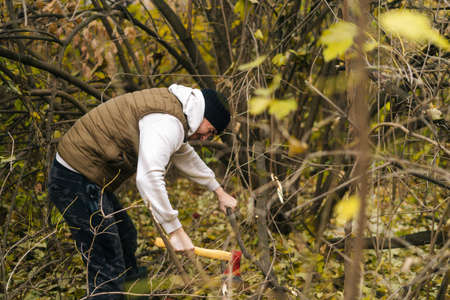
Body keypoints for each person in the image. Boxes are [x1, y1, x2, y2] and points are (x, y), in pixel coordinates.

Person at [48, 84, 237, 299]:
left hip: (88, 176)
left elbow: (185, 156)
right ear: (203, 115)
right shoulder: (168, 122)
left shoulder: (177, 114)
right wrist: (175, 231)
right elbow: (148, 177)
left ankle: (135, 295)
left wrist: (218, 190)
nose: (205, 139)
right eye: (210, 131)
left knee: (126, 236)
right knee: (107, 260)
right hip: (74, 177)